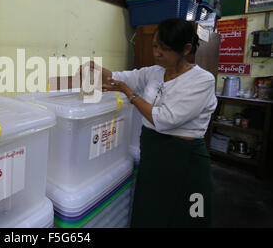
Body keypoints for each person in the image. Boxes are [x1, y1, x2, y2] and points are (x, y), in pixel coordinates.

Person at [83, 18, 217, 227]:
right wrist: (97, 68)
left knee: (191, 213)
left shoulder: (203, 80)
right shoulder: (155, 72)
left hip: (185, 156)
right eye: (155, 46)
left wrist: (129, 93)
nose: (157, 53)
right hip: (154, 153)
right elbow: (123, 77)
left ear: (186, 49)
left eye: (164, 49)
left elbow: (164, 119)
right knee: (151, 209)